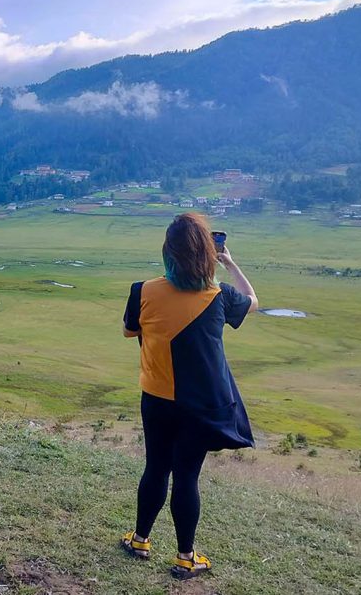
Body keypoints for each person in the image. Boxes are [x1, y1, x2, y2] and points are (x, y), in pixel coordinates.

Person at [119, 213, 258, 580]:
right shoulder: (219, 296)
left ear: (168, 252)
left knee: (155, 468)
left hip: (157, 398)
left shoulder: (143, 290)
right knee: (186, 478)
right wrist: (228, 262)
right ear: (206, 253)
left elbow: (128, 331)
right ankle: (185, 557)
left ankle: (140, 540)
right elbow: (252, 301)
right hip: (201, 406)